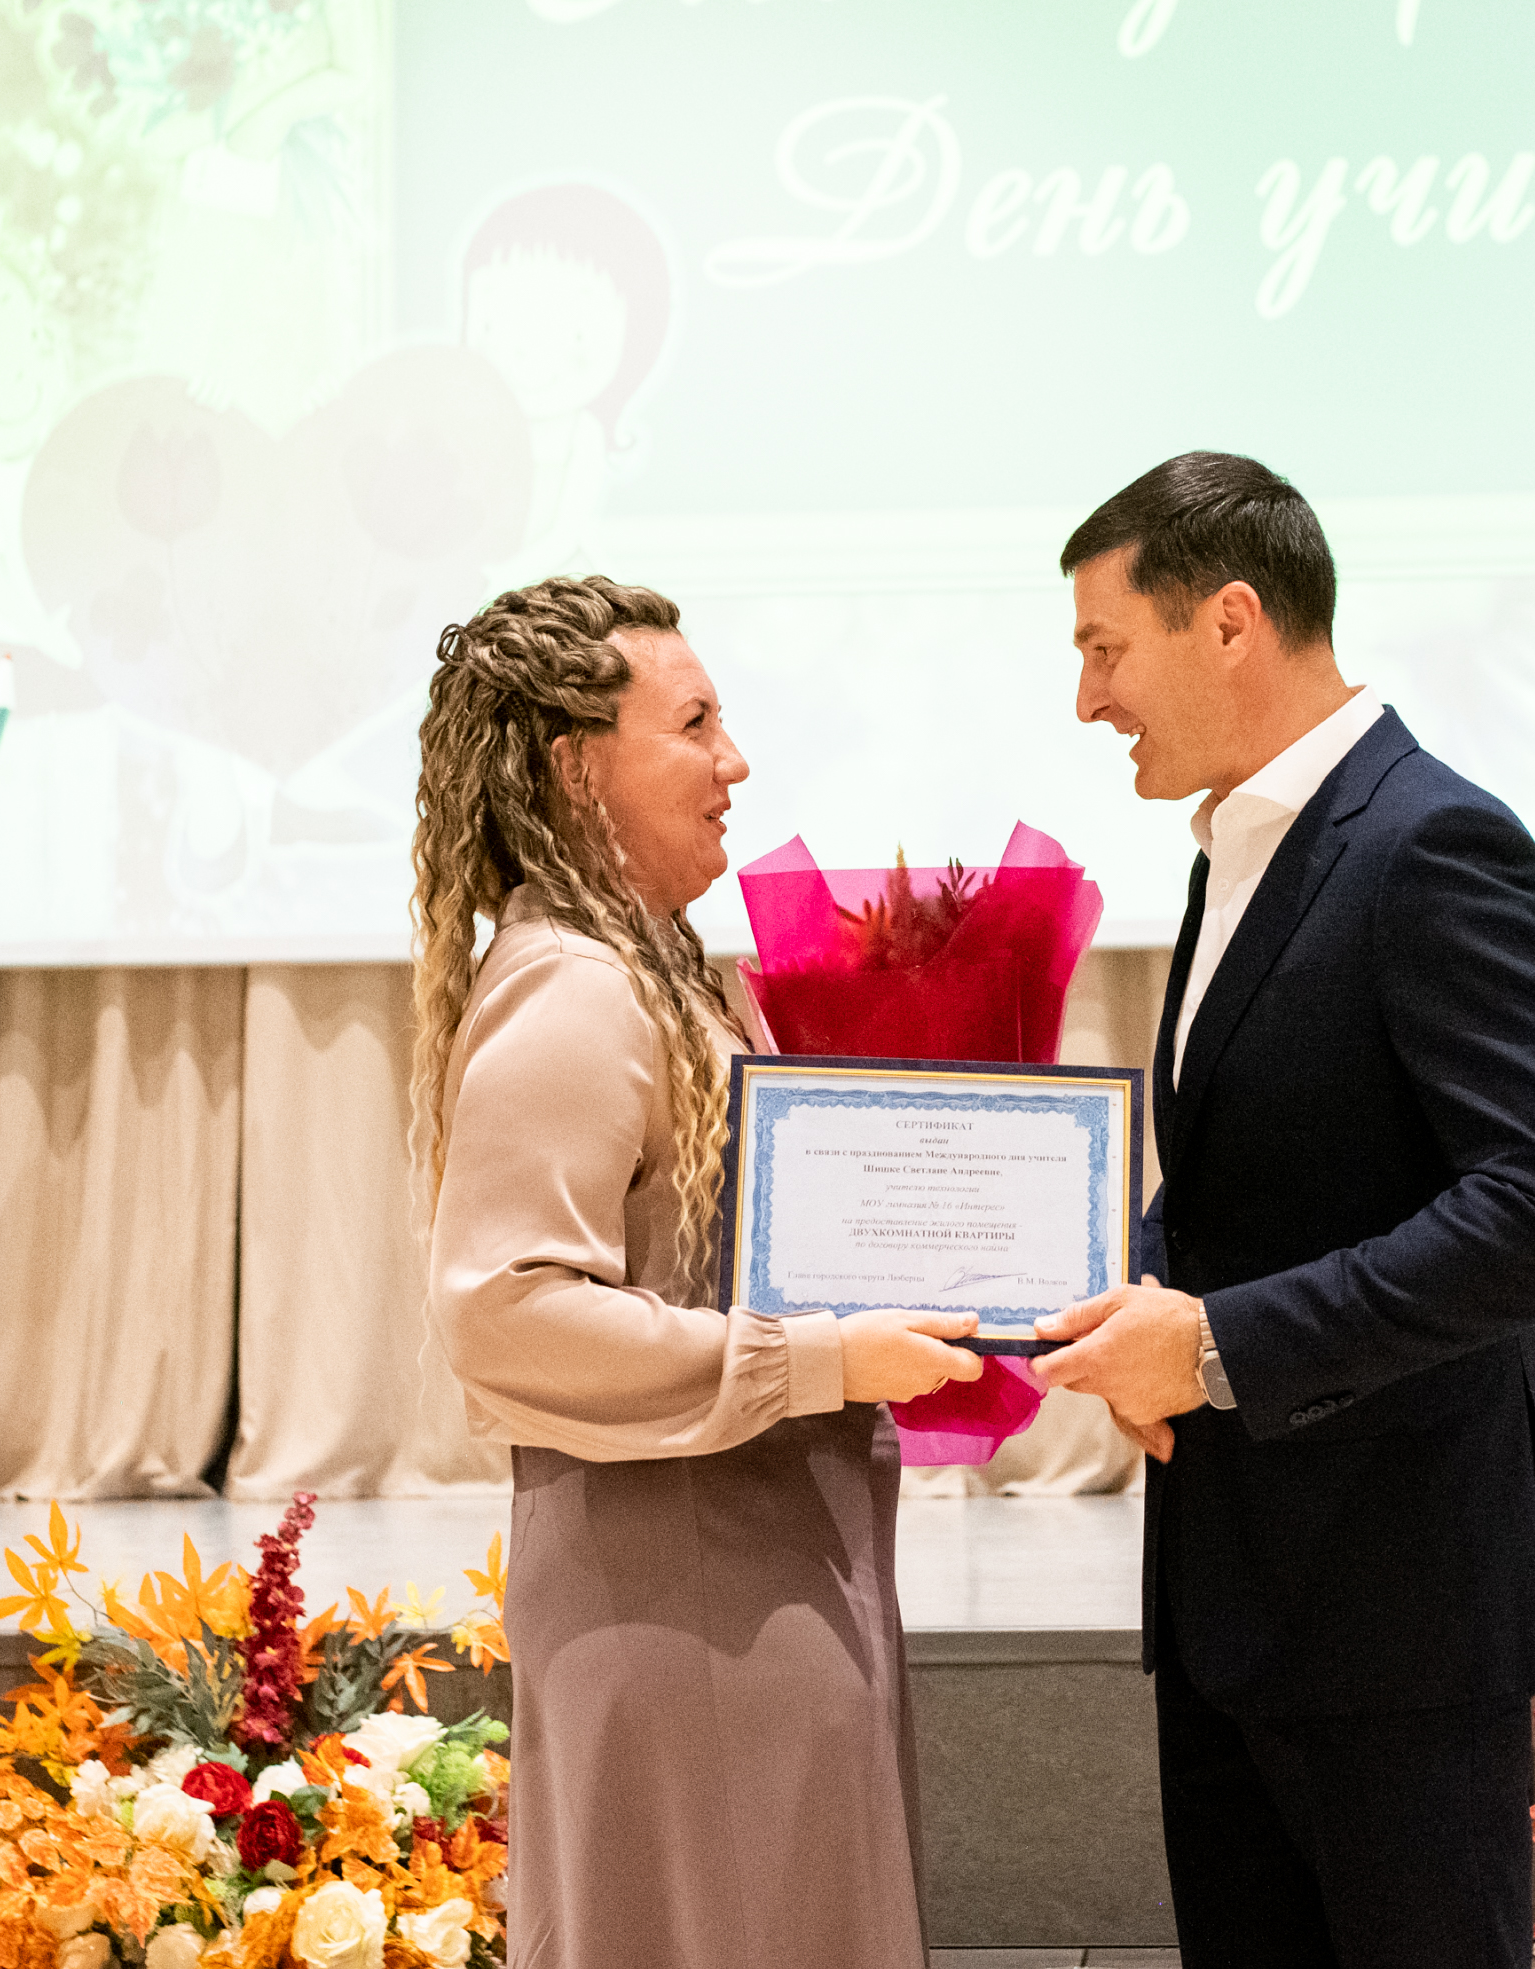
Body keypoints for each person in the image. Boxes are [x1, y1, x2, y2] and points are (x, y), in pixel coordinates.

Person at [1032, 453, 1535, 1968]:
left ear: (1229, 621)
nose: (1088, 700)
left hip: (1396, 1619)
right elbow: (1248, 1177)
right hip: (1236, 1605)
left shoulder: (1433, 844)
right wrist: (1127, 1285)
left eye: (1105, 648)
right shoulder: (1242, 845)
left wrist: (1212, 1344)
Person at [408, 575, 983, 1968]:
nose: (735, 763)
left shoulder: (655, 969)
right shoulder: (578, 987)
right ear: (575, 768)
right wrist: (826, 1357)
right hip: (686, 1601)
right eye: (695, 725)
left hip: (744, 1570)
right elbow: (507, 1313)